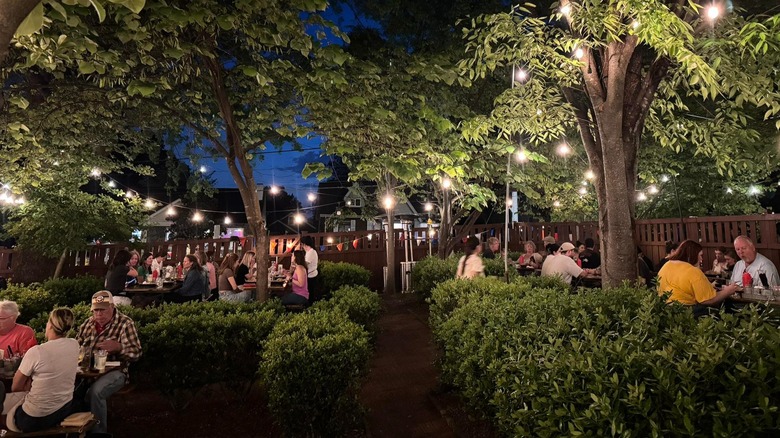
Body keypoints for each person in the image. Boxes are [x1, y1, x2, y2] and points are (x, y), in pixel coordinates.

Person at [1, 308, 78, 433]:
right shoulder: (74, 345)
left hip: (33, 418)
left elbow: (15, 387)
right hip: (63, 410)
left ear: (50, 325)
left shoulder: (38, 351)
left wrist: (29, 385)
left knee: (4, 406)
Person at [76, 291, 142, 435]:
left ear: (112, 307)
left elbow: (136, 353)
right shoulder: (87, 324)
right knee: (71, 391)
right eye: (96, 310)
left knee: (95, 393)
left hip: (116, 372)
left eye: (102, 309)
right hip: (88, 372)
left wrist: (119, 347)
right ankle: (76, 430)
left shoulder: (125, 323)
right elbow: (76, 348)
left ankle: (99, 433)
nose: (98, 314)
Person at [657, 240, 740, 316]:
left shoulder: (666, 265)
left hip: (666, 310)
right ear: (692, 255)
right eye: (700, 255)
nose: (701, 259)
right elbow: (709, 300)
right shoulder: (693, 271)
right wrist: (729, 290)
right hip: (687, 312)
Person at [301, 236, 321, 302]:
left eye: (302, 244)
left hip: (311, 276)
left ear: (304, 244)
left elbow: (305, 264)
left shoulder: (311, 252)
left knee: (311, 293)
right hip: (310, 275)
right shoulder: (309, 252)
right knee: (311, 292)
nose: (301, 246)